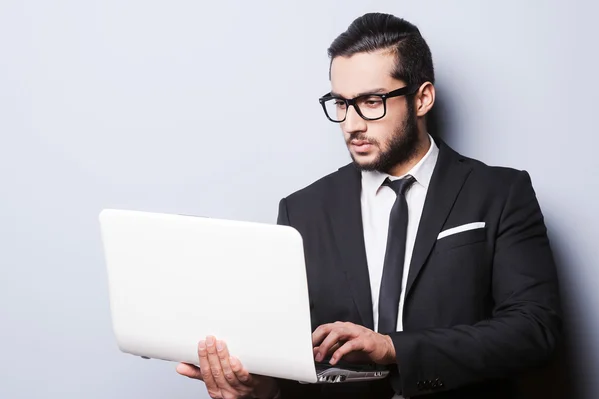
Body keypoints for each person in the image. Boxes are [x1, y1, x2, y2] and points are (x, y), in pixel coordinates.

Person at [176, 12, 562, 399]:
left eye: (370, 102)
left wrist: (392, 348)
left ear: (422, 98)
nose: (351, 124)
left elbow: (534, 330)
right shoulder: (302, 211)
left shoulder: (500, 192)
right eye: (341, 103)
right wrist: (258, 389)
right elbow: (292, 362)